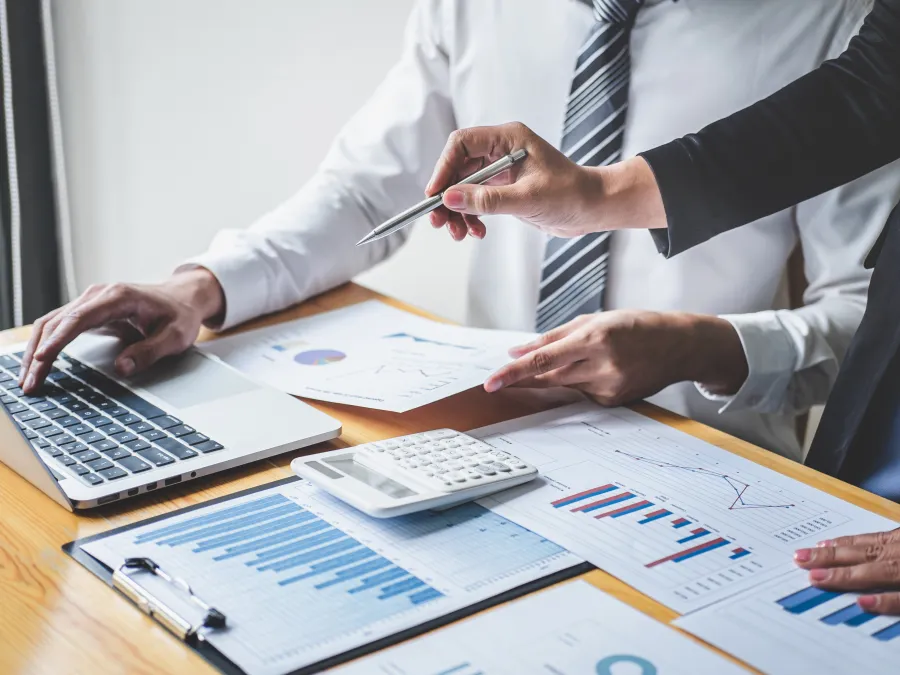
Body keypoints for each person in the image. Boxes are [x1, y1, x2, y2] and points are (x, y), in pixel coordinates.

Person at [19, 1, 898, 465]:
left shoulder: (848, 31)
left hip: (706, 464)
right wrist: (201, 286)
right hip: (474, 441)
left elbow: (870, 325)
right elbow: (368, 193)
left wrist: (705, 348)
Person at [424, 0, 900, 612]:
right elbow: (870, 87)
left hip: (715, 493)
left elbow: (861, 317)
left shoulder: (826, 16)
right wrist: (597, 195)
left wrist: (697, 347)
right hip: (499, 456)